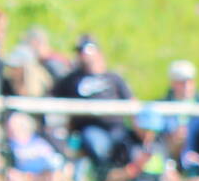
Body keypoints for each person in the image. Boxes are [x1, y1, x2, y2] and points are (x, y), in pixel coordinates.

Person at [50, 37, 136, 171]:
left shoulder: (113, 78)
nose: (83, 57)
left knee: (129, 146)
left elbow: (131, 103)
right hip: (89, 129)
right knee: (96, 143)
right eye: (80, 53)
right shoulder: (72, 79)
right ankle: (105, 175)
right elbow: (52, 97)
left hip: (117, 127)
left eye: (85, 52)